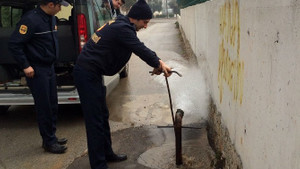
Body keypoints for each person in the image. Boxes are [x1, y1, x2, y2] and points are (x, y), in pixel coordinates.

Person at [73, 0, 172, 168]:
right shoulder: (123, 28)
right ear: (136, 18)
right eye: (145, 22)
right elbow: (140, 48)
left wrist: (157, 63)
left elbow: (136, 46)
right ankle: (98, 164)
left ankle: (107, 153)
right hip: (86, 74)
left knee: (102, 116)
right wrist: (158, 63)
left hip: (92, 73)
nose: (146, 26)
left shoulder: (122, 23)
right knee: (94, 121)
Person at [9, 0, 69, 154]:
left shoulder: (51, 18)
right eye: (59, 5)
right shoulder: (30, 20)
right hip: (37, 70)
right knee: (44, 107)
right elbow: (15, 43)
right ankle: (48, 142)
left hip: (49, 68)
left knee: (53, 104)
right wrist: (25, 65)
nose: (61, 8)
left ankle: (52, 136)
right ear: (50, 4)